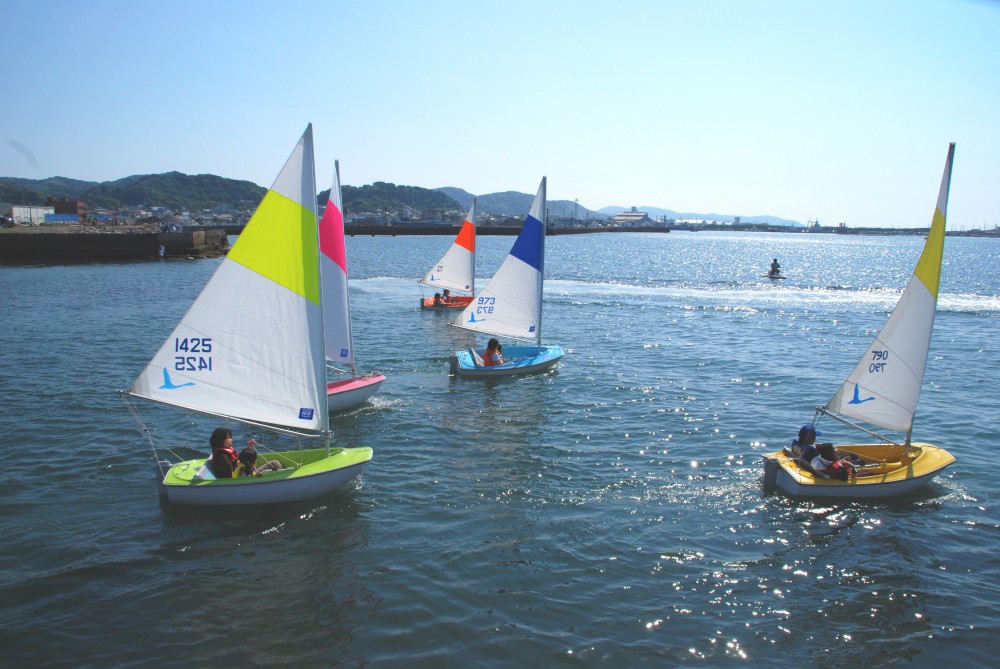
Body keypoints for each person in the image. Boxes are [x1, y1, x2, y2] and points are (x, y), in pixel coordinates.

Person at [208, 427, 282, 478]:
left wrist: (248, 448)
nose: (231, 440)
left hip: (247, 474)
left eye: (231, 437)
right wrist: (253, 471)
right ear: (220, 440)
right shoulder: (221, 457)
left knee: (275, 463)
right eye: (228, 438)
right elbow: (231, 475)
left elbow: (238, 462)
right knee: (275, 464)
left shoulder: (224, 453)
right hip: (244, 479)